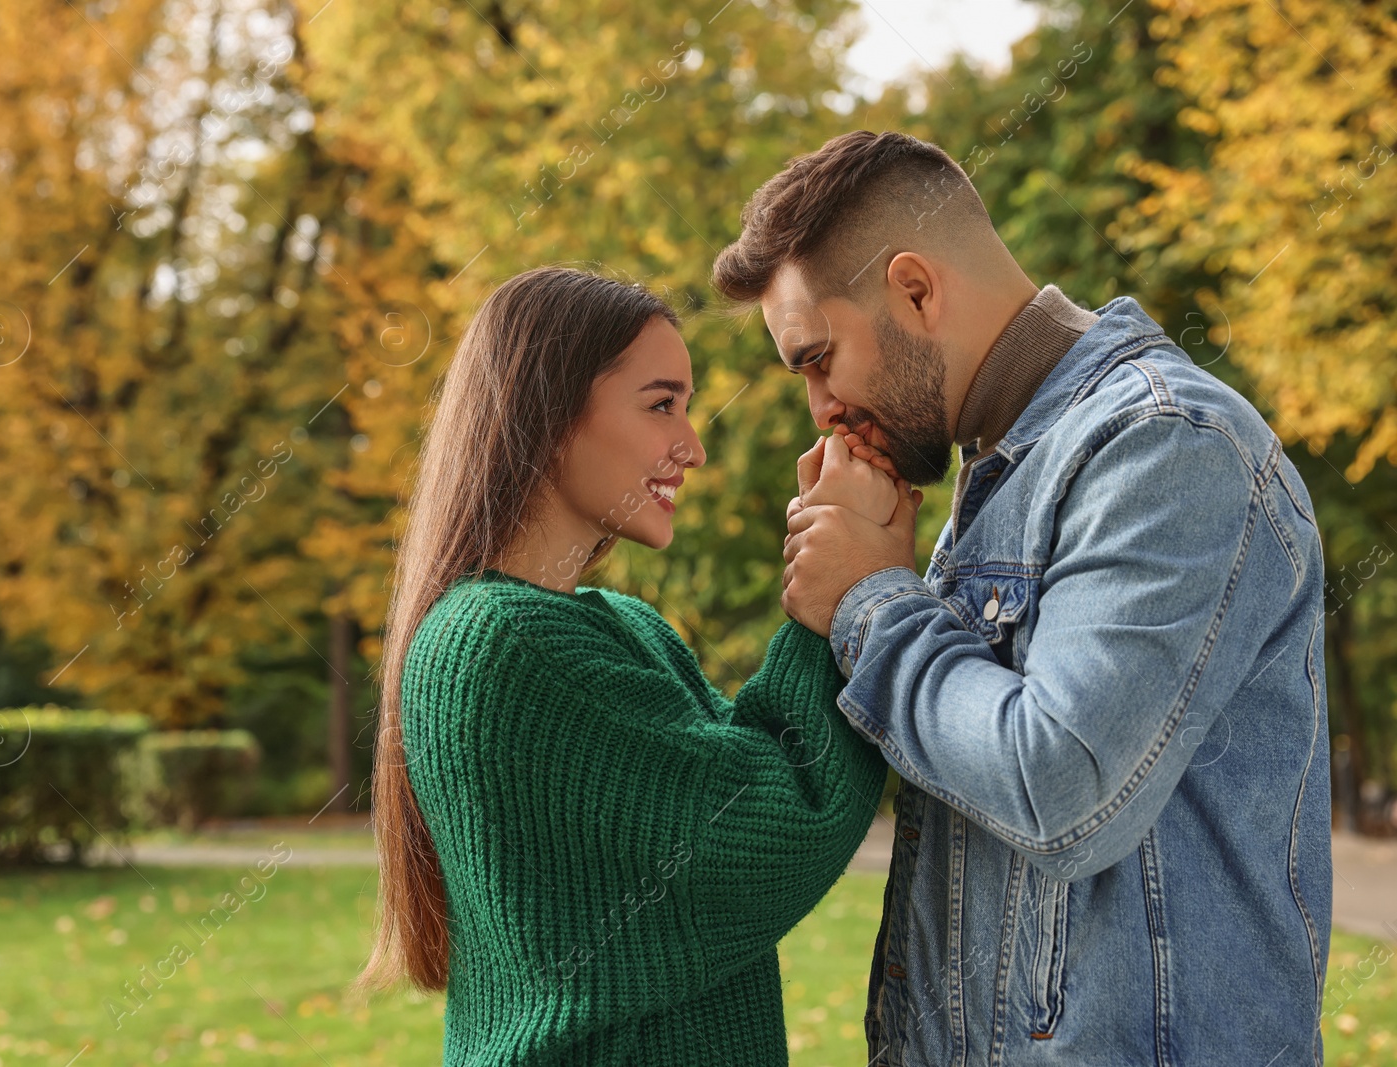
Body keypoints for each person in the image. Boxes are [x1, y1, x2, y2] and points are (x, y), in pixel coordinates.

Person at [715, 130, 1332, 1066]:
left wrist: (869, 598)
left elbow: (1061, 788)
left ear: (916, 290)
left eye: (817, 357)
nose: (819, 407)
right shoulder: (995, 474)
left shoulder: (1166, 444)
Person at [355, 265, 894, 1064]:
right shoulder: (501, 643)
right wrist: (835, 594)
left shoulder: (624, 627)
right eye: (661, 404)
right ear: (547, 409)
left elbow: (753, 762)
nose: (693, 445)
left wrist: (833, 559)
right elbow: (776, 825)